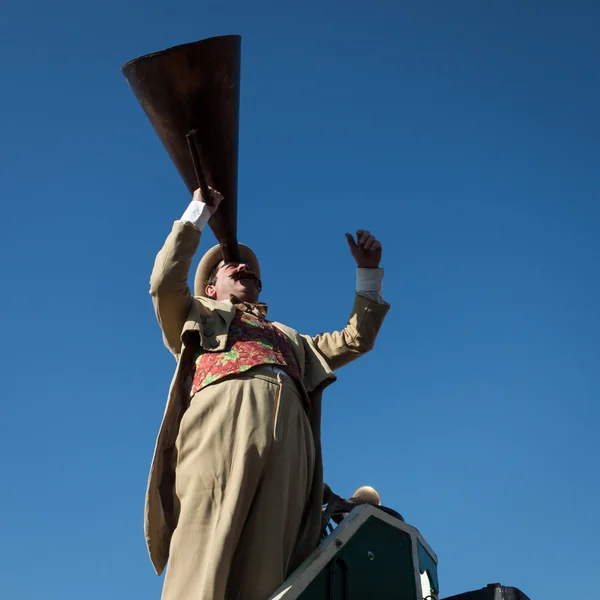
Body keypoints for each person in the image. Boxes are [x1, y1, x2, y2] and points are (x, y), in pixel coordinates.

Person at [146, 187, 390, 600]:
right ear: (209, 287)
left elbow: (355, 339)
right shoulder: (196, 316)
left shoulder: (292, 339)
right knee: (206, 549)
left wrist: (369, 273)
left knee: (270, 571)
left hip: (292, 446)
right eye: (229, 266)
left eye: (250, 270)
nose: (242, 267)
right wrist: (199, 212)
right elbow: (165, 282)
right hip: (219, 429)